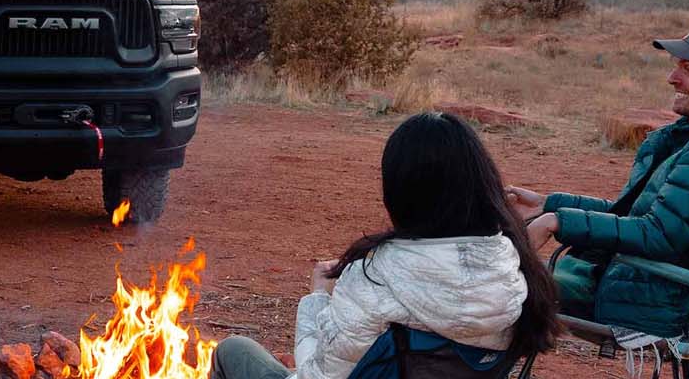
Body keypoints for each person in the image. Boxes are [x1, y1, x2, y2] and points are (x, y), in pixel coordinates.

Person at [210, 112, 559, 379]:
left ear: (400, 192)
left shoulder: (375, 279)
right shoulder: (514, 270)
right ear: (483, 184)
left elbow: (319, 375)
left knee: (233, 351)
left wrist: (317, 297)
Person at [509, 18, 689, 339]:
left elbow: (657, 234)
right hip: (632, 282)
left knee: (488, 287)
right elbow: (640, 216)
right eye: (676, 66)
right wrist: (548, 204)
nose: (672, 78)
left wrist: (556, 222)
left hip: (641, 299)